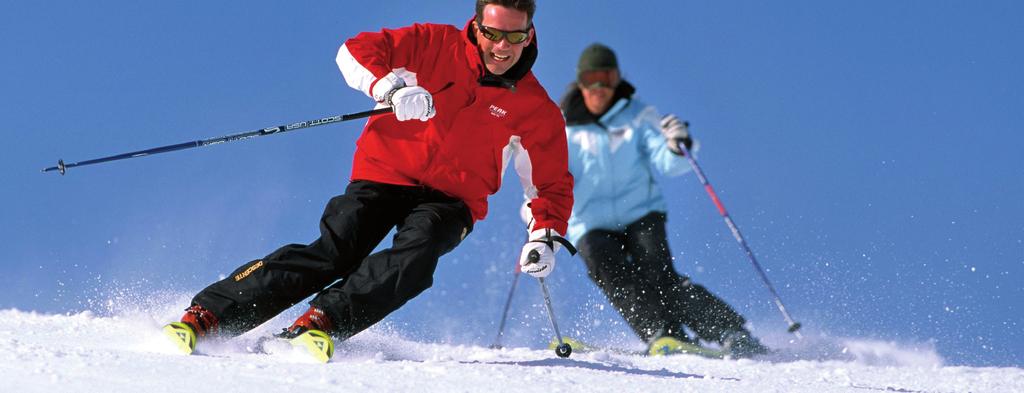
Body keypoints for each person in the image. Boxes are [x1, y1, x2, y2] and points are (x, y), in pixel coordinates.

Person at [163, 0, 574, 360]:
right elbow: (355, 50)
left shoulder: (536, 108)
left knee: (418, 254)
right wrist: (390, 87)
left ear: (530, 33)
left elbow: (551, 182)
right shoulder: (432, 43)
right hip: (387, 171)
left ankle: (321, 322)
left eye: (514, 36)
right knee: (336, 249)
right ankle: (210, 315)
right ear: (476, 25)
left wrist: (544, 234)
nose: (502, 47)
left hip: (453, 198)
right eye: (492, 34)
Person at [557, 43, 768, 357]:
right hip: (590, 221)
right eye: (592, 79)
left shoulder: (638, 115)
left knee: (658, 275)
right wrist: (537, 201)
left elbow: (669, 161)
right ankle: (662, 333)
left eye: (607, 78)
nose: (600, 88)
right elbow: (553, 174)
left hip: (640, 212)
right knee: (609, 271)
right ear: (580, 82)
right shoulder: (563, 127)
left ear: (617, 80)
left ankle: (729, 330)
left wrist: (676, 144)